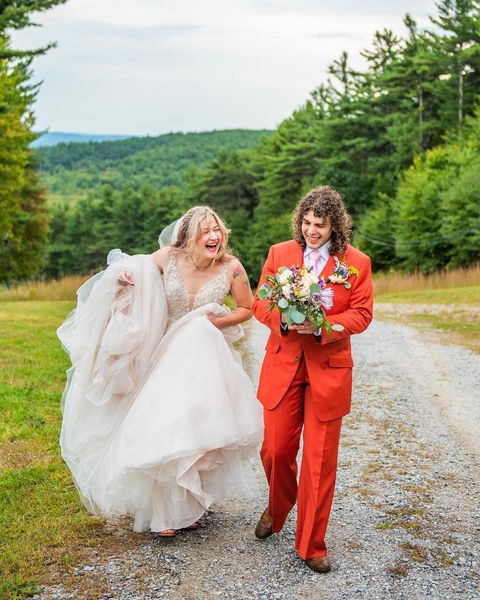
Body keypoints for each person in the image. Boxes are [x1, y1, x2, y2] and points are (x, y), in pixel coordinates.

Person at [58, 206, 262, 537]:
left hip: (205, 357)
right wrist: (123, 279)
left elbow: (246, 309)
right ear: (190, 236)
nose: (213, 237)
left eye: (217, 230)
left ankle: (189, 503)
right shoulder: (169, 256)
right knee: (164, 425)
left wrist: (217, 320)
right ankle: (165, 512)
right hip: (164, 351)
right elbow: (135, 269)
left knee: (198, 427)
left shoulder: (232, 268)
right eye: (205, 231)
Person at [252, 186, 373, 572]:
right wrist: (286, 320)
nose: (311, 231)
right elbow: (259, 302)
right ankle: (278, 504)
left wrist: (325, 326)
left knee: (319, 461)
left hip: (328, 368)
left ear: (335, 224)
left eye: (319, 225)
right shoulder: (279, 254)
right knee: (276, 450)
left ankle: (312, 545)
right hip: (284, 363)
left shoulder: (356, 263)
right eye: (306, 223)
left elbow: (362, 314)